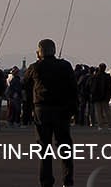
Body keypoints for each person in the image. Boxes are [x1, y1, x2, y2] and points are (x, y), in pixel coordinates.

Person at [25, 39, 77, 187]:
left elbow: (26, 84)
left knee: (44, 148)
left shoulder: (35, 67)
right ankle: (68, 181)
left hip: (42, 110)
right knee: (65, 146)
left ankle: (46, 182)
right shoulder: (65, 66)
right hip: (62, 110)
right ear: (54, 50)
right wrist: (73, 110)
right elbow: (73, 88)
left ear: (39, 51)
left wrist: (29, 111)